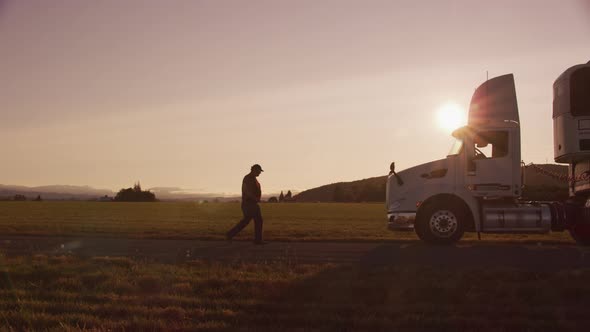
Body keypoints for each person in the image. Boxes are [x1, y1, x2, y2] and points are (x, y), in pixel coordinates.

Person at [226, 164, 266, 244]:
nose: (260, 173)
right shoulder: (248, 178)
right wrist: (254, 198)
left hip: (252, 204)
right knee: (256, 220)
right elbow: (246, 190)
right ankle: (258, 240)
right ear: (254, 170)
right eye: (259, 171)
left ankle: (230, 234)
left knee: (248, 221)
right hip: (249, 204)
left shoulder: (254, 179)